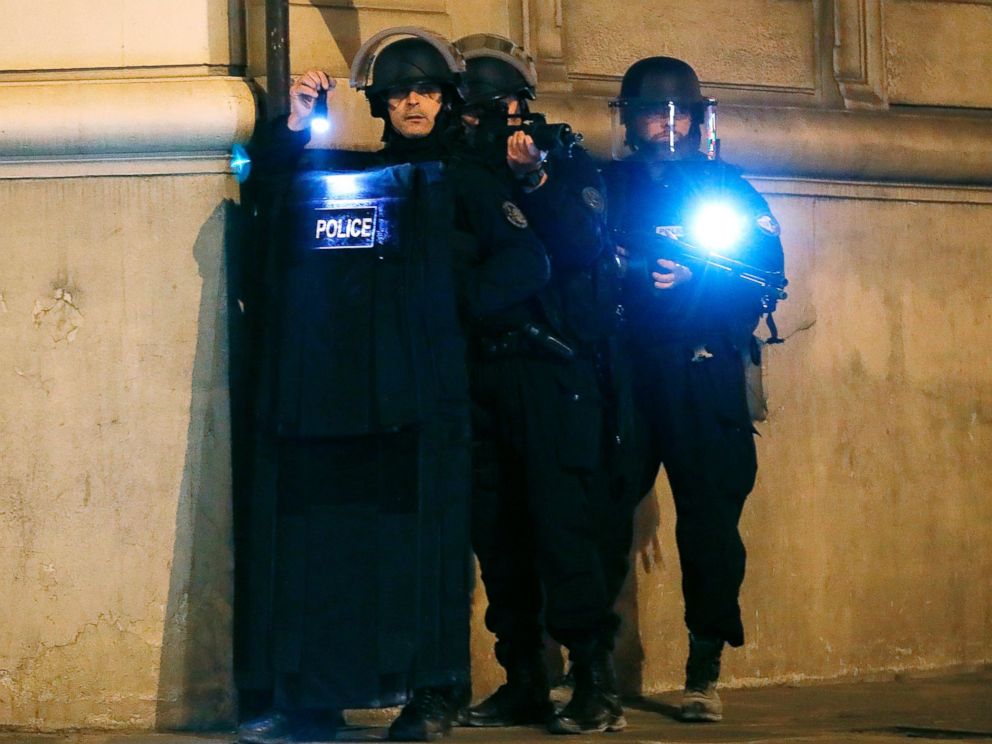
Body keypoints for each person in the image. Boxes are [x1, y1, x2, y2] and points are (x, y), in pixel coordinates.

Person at [238, 27, 553, 744]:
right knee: (344, 540)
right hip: (350, 392)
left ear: (448, 99)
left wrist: (451, 304)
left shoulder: (471, 179)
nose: (414, 103)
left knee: (435, 545)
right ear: (381, 103)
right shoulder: (354, 178)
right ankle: (320, 692)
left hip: (441, 394)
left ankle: (434, 690)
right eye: (402, 92)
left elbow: (525, 263)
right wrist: (291, 128)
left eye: (427, 91)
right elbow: (275, 197)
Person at [449, 34, 634, 735]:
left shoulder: (561, 161)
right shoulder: (458, 171)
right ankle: (523, 678)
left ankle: (593, 680)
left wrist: (535, 181)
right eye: (472, 115)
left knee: (563, 531)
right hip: (483, 372)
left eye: (498, 111)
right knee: (498, 536)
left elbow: (583, 244)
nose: (486, 127)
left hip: (550, 371)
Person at [603, 56, 786, 723]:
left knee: (710, 524)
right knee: (597, 514)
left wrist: (694, 280)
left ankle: (703, 667)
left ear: (700, 119)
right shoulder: (608, 187)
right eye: (653, 112)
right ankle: (593, 667)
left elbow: (764, 275)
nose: (666, 126)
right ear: (630, 120)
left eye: (678, 113)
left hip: (703, 372)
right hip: (627, 373)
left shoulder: (727, 190)